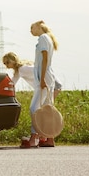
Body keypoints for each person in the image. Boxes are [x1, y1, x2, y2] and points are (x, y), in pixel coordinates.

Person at [2, 51, 62, 147]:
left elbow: (12, 83)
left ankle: (34, 139)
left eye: (7, 62)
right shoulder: (22, 68)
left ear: (12, 61)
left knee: (34, 109)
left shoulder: (22, 69)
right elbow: (12, 83)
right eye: (4, 63)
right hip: (49, 84)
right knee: (46, 111)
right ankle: (47, 139)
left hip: (45, 85)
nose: (6, 65)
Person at [22, 20, 59, 148]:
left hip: (44, 77)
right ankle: (49, 138)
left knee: (34, 108)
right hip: (48, 76)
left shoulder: (43, 37)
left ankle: (34, 138)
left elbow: (44, 59)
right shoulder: (47, 38)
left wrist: (42, 78)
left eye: (32, 28)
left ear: (39, 27)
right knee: (47, 108)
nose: (30, 31)